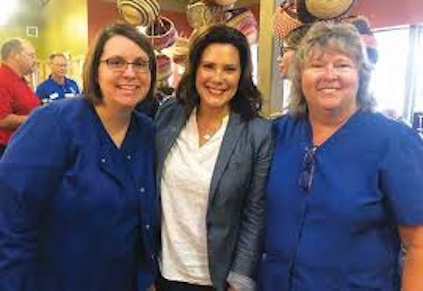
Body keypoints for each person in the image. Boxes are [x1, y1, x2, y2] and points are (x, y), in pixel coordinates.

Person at [260, 22, 423, 290]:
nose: (329, 75)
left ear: (361, 75)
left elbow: (418, 243)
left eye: (342, 65)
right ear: (300, 76)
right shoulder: (278, 133)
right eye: (317, 65)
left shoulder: (394, 142)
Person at [0, 23, 158, 291]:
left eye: (141, 64)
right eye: (116, 62)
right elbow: (11, 219)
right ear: (95, 70)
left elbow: (139, 224)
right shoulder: (54, 123)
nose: (130, 73)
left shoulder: (147, 133)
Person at [155, 24, 273, 291]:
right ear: (195, 68)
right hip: (164, 274)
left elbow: (255, 213)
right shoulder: (170, 113)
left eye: (229, 69)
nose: (217, 78)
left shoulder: (257, 132)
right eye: (209, 66)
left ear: (242, 75)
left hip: (218, 281)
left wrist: (240, 280)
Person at [0, 38, 40, 157]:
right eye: (31, 55)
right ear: (14, 55)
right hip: (7, 151)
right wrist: (40, 118)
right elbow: (3, 120)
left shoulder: (21, 81)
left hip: (24, 145)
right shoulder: (2, 80)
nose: (34, 60)